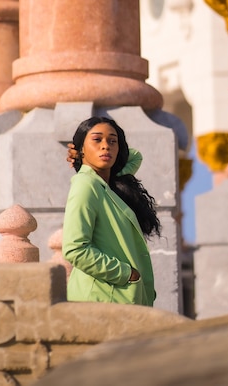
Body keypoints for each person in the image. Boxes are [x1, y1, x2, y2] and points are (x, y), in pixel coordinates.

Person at [62, 116, 161, 306]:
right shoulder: (86, 184)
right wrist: (126, 274)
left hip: (118, 298)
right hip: (100, 299)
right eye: (97, 140)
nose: (106, 146)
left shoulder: (106, 183)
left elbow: (135, 156)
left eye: (112, 141)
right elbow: (75, 249)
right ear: (81, 148)